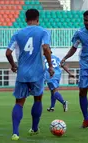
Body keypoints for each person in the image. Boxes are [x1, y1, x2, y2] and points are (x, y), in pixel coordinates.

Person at [6, 9, 53, 140]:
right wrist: (50, 65)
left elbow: (8, 53)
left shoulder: (17, 34)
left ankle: (15, 132)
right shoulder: (43, 31)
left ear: (26, 19)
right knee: (38, 98)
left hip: (22, 73)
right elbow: (46, 48)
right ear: (38, 19)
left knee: (19, 103)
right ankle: (34, 128)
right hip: (37, 72)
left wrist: (13, 65)